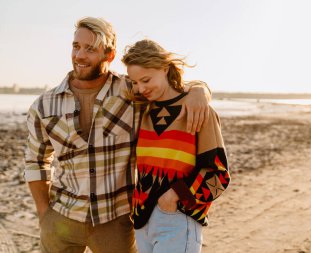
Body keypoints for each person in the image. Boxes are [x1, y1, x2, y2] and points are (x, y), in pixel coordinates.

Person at [24, 17, 211, 253]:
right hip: (61, 219)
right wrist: (44, 214)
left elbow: (168, 90)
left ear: (109, 55)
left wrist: (199, 90)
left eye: (90, 49)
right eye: (76, 46)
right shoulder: (43, 105)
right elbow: (35, 161)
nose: (80, 55)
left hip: (116, 221)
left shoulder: (132, 92)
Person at [121, 39, 230, 253]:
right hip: (141, 222)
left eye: (146, 79)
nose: (141, 88)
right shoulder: (141, 110)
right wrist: (199, 87)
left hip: (177, 218)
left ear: (164, 67)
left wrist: (174, 197)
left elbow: (218, 175)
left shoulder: (198, 111)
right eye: (134, 82)